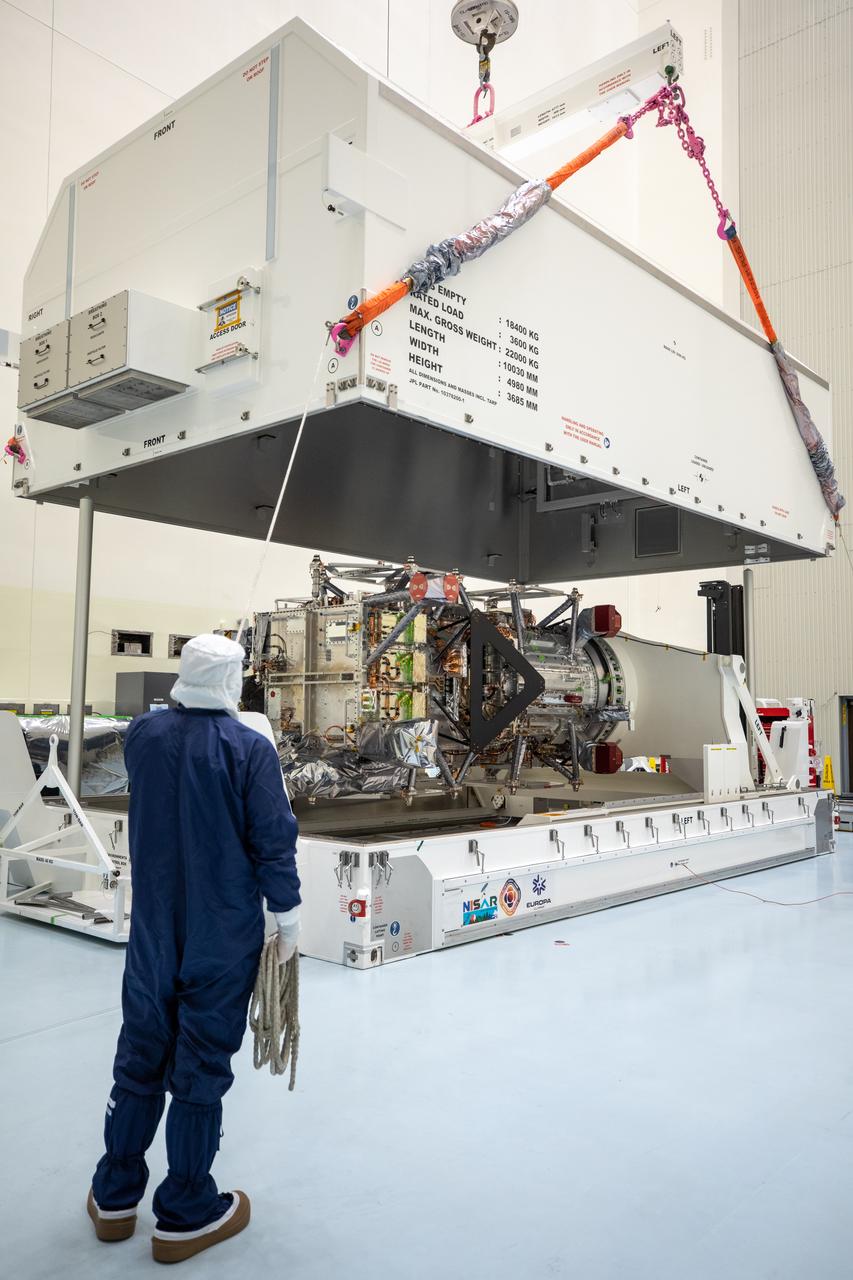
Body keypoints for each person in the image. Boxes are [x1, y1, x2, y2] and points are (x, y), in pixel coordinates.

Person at [86, 634, 301, 1264]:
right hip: (221, 932)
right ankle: (184, 1210)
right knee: (201, 1063)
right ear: (234, 682)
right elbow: (273, 839)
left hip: (154, 928)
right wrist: (285, 918)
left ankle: (116, 1194)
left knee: (142, 1050)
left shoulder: (143, 737)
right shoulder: (250, 749)